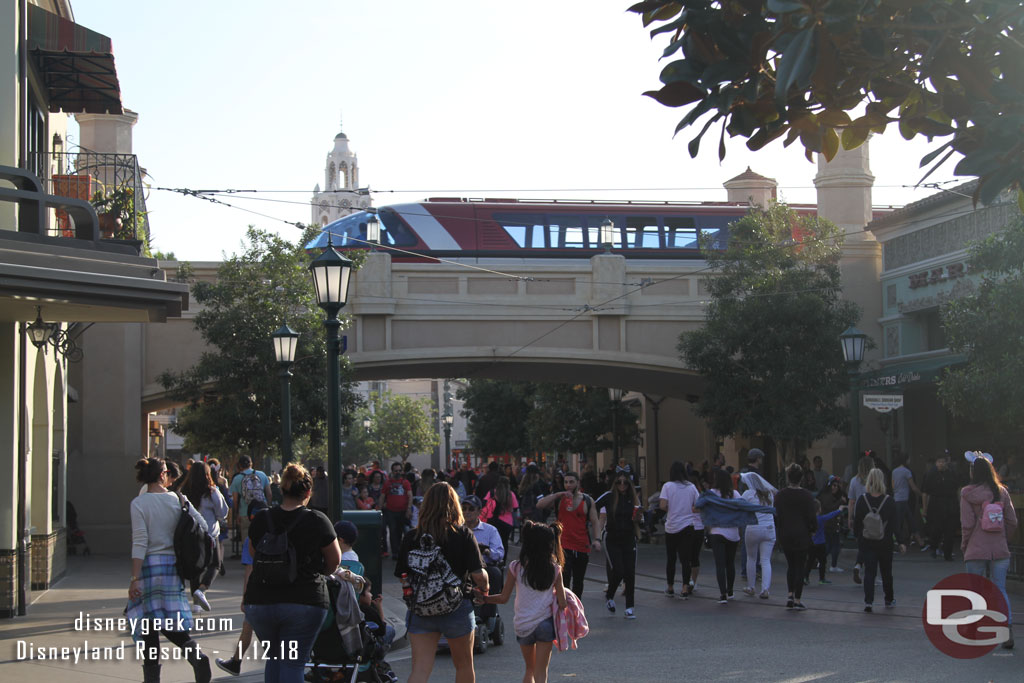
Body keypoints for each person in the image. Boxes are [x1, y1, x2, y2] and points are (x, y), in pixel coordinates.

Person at [244, 464, 341, 683]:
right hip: (304, 599)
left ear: (281, 489)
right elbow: (334, 561)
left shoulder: (262, 519)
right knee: (293, 662)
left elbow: (253, 552)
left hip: (261, 600)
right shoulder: (317, 520)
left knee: (275, 658)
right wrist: (319, 571)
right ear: (308, 492)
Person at [127, 457, 212, 683]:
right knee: (169, 621)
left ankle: (151, 678)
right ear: (163, 474)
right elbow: (203, 526)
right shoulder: (177, 499)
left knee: (148, 625)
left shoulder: (139, 504)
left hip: (148, 568)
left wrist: (134, 578)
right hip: (172, 568)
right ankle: (195, 654)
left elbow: (140, 541)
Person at [396, 482, 488, 683]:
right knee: (464, 665)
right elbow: (478, 575)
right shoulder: (462, 534)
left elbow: (403, 573)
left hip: (421, 608)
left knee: (420, 669)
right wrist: (485, 586)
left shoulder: (412, 537)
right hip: (457, 606)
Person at [479, 521, 567, 683]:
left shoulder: (516, 567)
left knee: (529, 669)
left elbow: (503, 598)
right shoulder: (555, 569)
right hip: (545, 625)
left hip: (523, 624)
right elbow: (562, 603)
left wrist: (485, 598)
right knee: (541, 672)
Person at [960, 452, 1018, 649]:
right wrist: (1004, 539)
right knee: (1000, 589)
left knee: (975, 591)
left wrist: (964, 545)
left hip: (976, 548)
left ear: (973, 472)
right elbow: (1012, 521)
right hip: (999, 549)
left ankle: (972, 629)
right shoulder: (1001, 492)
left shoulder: (967, 493)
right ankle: (1006, 630)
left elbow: (967, 524)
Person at [215, 499, 267, 677]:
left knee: (250, 625)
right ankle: (236, 661)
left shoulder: (251, 540)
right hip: (277, 589)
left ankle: (237, 662)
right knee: (255, 627)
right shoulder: (277, 534)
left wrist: (245, 597)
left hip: (258, 591)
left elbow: (249, 571)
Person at [536, 472, 600, 597]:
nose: (568, 485)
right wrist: (557, 494)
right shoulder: (560, 499)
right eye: (566, 482)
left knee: (578, 581)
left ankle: (576, 608)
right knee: (564, 578)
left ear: (578, 483)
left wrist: (597, 539)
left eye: (571, 482)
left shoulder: (587, 500)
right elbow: (540, 505)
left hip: (582, 545)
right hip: (563, 545)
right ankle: (563, 608)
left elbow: (595, 521)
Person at [179, 460, 229, 611]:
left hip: (191, 534)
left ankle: (195, 603)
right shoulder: (211, 492)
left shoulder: (184, 491)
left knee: (196, 566)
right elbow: (222, 512)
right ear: (208, 474)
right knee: (215, 564)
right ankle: (202, 589)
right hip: (210, 534)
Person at [596, 473, 641, 618]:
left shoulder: (633, 499)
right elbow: (593, 505)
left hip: (629, 537)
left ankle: (630, 607)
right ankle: (610, 595)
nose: (622, 485)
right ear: (615, 484)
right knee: (619, 569)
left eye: (625, 483)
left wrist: (639, 518)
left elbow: (641, 518)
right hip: (612, 538)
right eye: (619, 482)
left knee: (630, 571)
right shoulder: (609, 496)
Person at [854, 468, 900, 613]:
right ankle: (889, 599)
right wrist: (901, 541)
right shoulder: (889, 501)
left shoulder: (862, 500)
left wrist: (859, 538)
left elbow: (857, 523)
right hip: (885, 542)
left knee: (869, 572)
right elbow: (895, 524)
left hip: (867, 541)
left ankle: (868, 601)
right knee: (886, 572)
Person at [775, 463, 817, 610]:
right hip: (802, 534)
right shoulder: (806, 496)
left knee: (791, 565)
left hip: (785, 533)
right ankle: (797, 599)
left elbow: (777, 515)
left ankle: (790, 594)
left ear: (788, 477)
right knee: (800, 565)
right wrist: (813, 530)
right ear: (801, 478)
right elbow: (812, 516)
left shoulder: (780, 495)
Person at [660, 460, 703, 598]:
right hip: (688, 526)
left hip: (672, 526)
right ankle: (685, 587)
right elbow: (698, 506)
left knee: (671, 558)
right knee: (686, 559)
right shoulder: (691, 487)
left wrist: (672, 509)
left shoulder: (667, 486)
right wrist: (688, 510)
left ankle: (670, 586)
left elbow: (662, 505)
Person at [704, 469, 742, 604]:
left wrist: (708, 528)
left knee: (719, 564)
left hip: (716, 532)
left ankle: (723, 594)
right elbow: (741, 508)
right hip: (732, 532)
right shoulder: (735, 494)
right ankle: (730, 591)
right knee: (730, 563)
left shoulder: (712, 494)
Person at [740, 471, 777, 599]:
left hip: (753, 528)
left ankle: (751, 587)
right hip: (769, 528)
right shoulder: (769, 494)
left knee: (751, 558)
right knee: (765, 560)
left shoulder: (748, 494)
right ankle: (765, 589)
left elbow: (739, 506)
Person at [230, 455, 272, 553]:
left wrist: (237, 514)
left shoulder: (237, 478)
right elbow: (269, 494)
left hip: (245, 513)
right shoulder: (262, 475)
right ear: (251, 463)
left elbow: (235, 500)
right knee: (262, 536)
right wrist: (268, 506)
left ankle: (249, 561)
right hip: (262, 512)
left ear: (239, 465)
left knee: (247, 540)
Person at [922, 454, 959, 561]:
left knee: (950, 530)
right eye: (939, 462)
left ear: (947, 462)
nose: (941, 464)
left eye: (943, 462)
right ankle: (933, 547)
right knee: (936, 528)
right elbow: (925, 492)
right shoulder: (931, 474)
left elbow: (957, 489)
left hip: (950, 503)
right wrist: (925, 508)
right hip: (936, 503)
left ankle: (948, 553)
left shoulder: (952, 474)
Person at [847, 455, 873, 583]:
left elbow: (851, 501)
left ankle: (858, 565)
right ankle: (868, 571)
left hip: (859, 515)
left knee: (862, 544)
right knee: (872, 546)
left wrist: (850, 517)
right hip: (873, 516)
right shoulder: (875, 480)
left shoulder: (854, 481)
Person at [806, 499, 844, 585]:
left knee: (809, 561)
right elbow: (830, 515)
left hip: (811, 543)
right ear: (819, 509)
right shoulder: (821, 519)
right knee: (822, 561)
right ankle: (821, 578)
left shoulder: (809, 519)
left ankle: (805, 577)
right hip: (821, 543)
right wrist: (839, 510)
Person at [381, 461, 414, 558]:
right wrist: (380, 507)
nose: (398, 472)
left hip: (403, 511)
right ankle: (395, 552)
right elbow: (382, 496)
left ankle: (404, 551)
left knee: (403, 531)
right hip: (391, 511)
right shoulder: (387, 483)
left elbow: (410, 496)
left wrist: (409, 509)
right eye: (396, 471)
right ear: (392, 471)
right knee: (393, 531)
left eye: (399, 470)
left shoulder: (405, 482)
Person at [891, 455, 923, 547]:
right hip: (904, 499)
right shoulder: (907, 471)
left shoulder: (894, 471)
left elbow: (893, 486)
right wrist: (921, 494)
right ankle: (918, 541)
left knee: (903, 520)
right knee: (908, 520)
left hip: (897, 498)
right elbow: (913, 487)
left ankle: (918, 540)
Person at [818, 476, 847, 572]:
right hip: (829, 524)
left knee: (831, 546)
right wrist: (840, 502)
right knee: (833, 546)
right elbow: (830, 508)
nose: (835, 487)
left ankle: (822, 561)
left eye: (837, 486)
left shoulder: (827, 495)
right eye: (833, 485)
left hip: (831, 524)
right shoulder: (826, 496)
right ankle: (828, 564)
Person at [483, 475, 518, 552]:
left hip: (492, 520)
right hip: (507, 522)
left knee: (491, 542)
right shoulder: (511, 494)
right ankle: (503, 561)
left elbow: (485, 503)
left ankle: (492, 557)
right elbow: (515, 507)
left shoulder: (492, 493)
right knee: (504, 543)